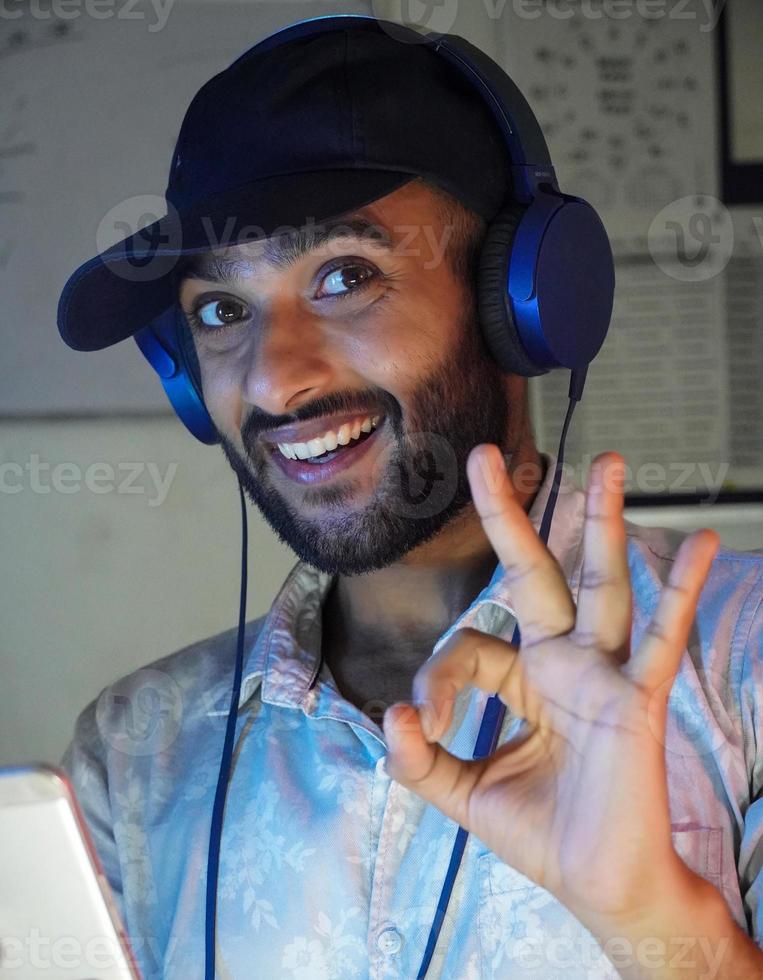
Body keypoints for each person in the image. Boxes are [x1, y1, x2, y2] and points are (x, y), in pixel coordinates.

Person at [57, 18, 763, 980]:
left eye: (346, 276)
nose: (274, 381)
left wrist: (650, 919)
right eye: (220, 311)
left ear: (520, 300)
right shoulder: (135, 752)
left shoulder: (743, 664)